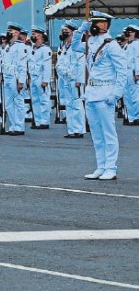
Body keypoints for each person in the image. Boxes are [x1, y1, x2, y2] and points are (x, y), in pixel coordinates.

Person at [72, 11, 127, 181]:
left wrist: (116, 94)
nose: (94, 25)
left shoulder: (111, 45)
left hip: (105, 93)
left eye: (97, 23)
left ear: (104, 25)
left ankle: (111, 167)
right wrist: (80, 30)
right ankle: (101, 166)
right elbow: (74, 46)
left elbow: (122, 71)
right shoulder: (90, 42)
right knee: (96, 134)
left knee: (108, 133)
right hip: (91, 93)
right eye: (93, 22)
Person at [56, 21, 86, 138]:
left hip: (75, 81)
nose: (64, 33)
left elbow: (81, 64)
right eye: (63, 30)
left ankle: (79, 129)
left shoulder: (77, 46)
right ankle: (72, 130)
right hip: (66, 79)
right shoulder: (64, 47)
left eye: (66, 31)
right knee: (69, 105)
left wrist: (79, 80)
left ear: (73, 32)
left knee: (77, 105)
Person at [1, 23, 28, 136]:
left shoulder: (20, 46)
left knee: (18, 102)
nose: (8, 33)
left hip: (15, 78)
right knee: (8, 104)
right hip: (7, 77)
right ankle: (12, 125)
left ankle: (19, 126)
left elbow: (22, 65)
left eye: (10, 31)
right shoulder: (8, 46)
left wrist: (21, 80)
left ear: (16, 33)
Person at [28, 27, 52, 129]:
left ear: (41, 36)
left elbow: (47, 66)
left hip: (41, 77)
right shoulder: (33, 49)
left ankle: (44, 121)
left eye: (35, 34)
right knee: (35, 100)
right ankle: (37, 121)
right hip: (33, 77)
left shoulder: (45, 49)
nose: (33, 36)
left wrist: (45, 80)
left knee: (44, 99)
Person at [123, 24, 139, 125]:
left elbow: (138, 60)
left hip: (133, 72)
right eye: (128, 32)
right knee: (127, 96)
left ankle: (137, 116)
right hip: (126, 73)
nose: (129, 34)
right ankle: (131, 117)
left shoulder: (137, 44)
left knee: (135, 96)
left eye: (132, 32)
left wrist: (137, 73)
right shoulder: (127, 45)